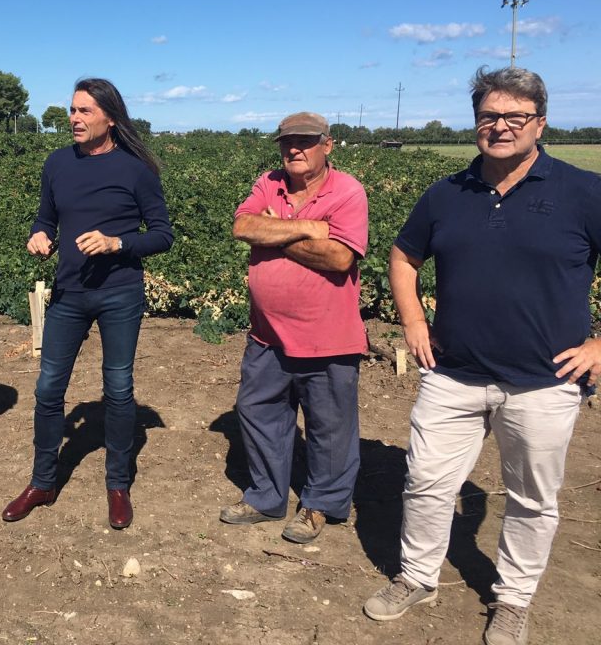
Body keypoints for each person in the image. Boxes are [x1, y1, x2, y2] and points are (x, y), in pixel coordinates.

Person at [363, 67, 601, 645]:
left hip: (544, 381)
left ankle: (513, 601)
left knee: (531, 499)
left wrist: (599, 344)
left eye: (515, 116)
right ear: (475, 124)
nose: (500, 126)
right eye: (489, 116)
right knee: (425, 483)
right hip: (454, 375)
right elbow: (402, 258)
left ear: (540, 123)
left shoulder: (581, 191)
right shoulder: (447, 194)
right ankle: (417, 577)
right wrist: (414, 321)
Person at [2, 78, 172, 529]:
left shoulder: (136, 170)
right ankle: (42, 481)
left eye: (84, 112)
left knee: (117, 389)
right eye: (72, 110)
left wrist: (117, 242)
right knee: (48, 388)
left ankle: (117, 485)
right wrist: (40, 234)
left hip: (120, 294)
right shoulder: (57, 163)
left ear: (110, 118)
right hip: (69, 294)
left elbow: (162, 234)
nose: (74, 119)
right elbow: (46, 217)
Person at [219, 111, 368, 544]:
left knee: (329, 426)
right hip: (267, 334)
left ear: (328, 144)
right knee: (258, 412)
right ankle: (266, 496)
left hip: (328, 337)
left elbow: (341, 258)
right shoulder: (271, 182)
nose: (294, 150)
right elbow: (243, 226)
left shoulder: (348, 192)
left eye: (305, 141)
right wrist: (307, 229)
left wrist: (274, 233)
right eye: (287, 143)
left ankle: (320, 504)